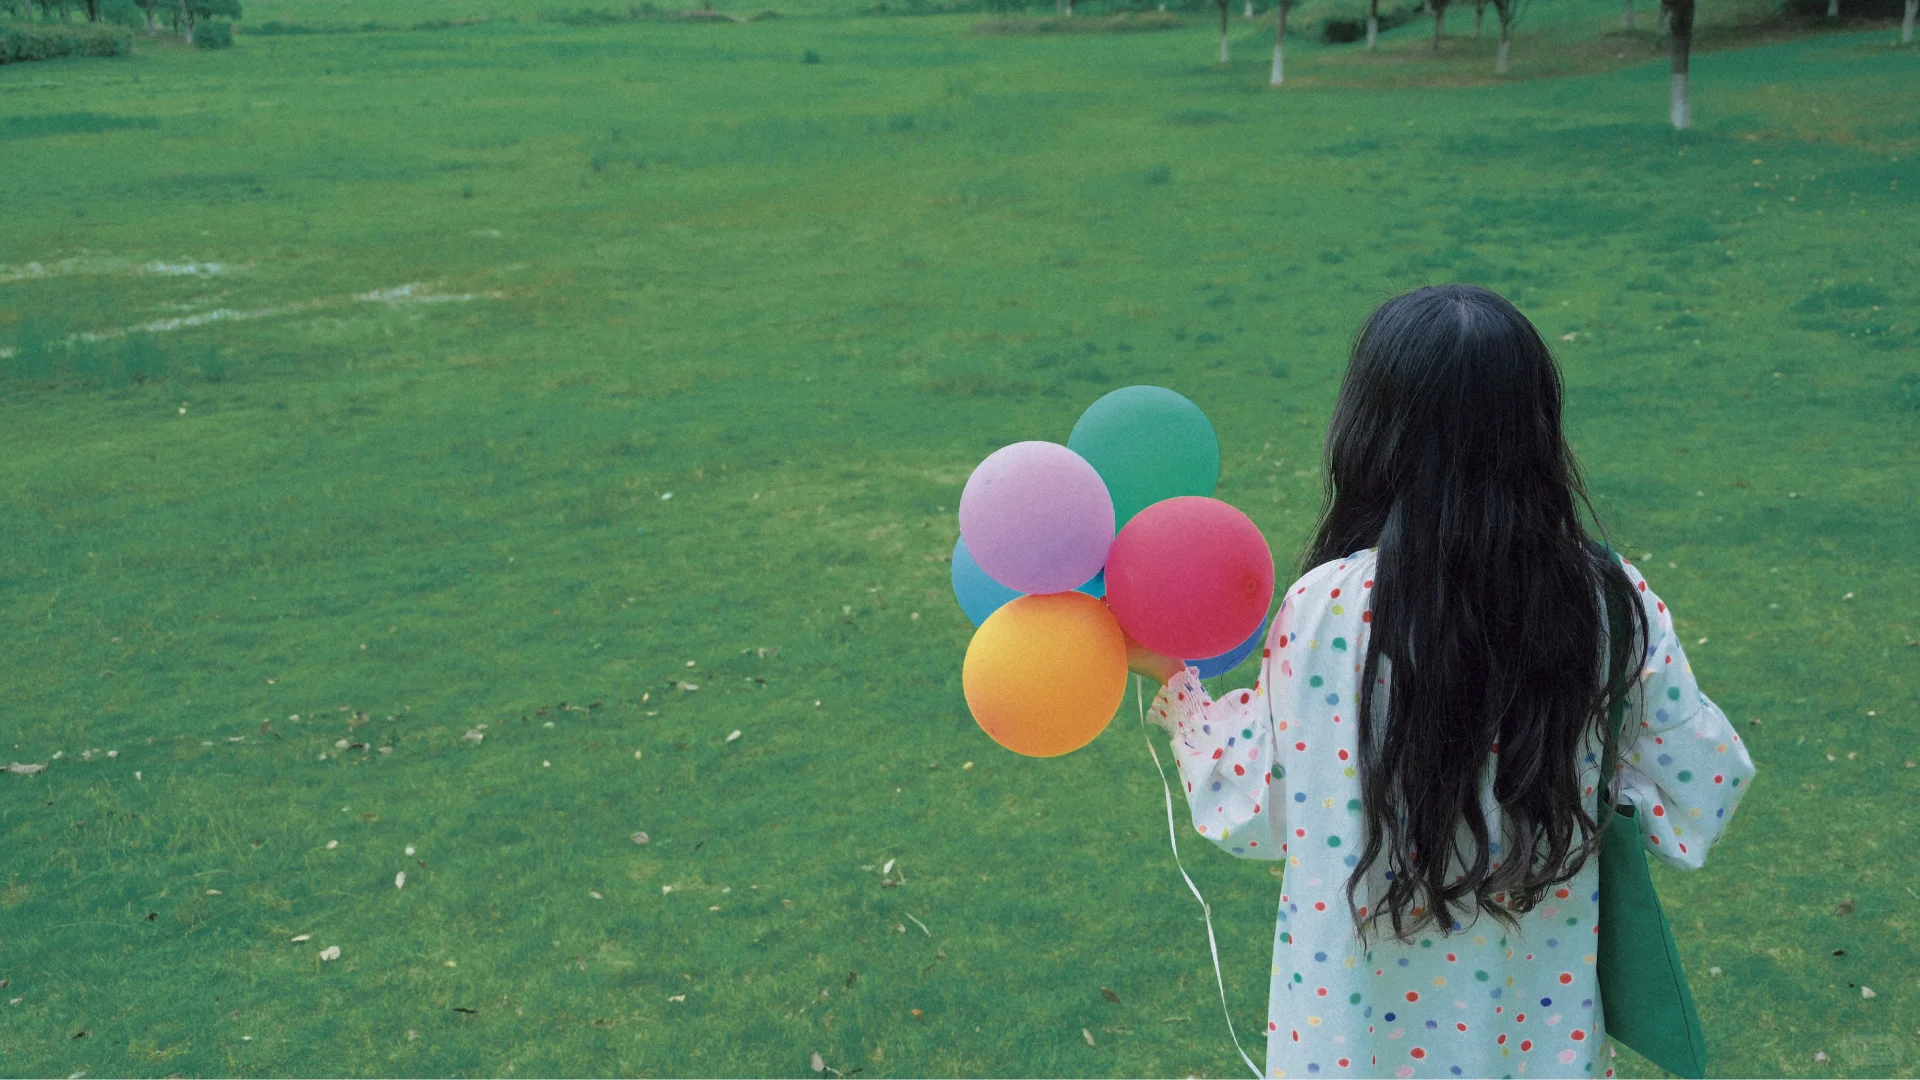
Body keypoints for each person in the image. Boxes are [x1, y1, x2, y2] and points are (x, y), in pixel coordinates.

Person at [1125, 284, 1756, 1080]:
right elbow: (1704, 788)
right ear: (1536, 428)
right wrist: (1577, 770)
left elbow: (1256, 806)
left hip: (1350, 1045)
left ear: (1372, 429)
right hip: (1539, 1040)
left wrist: (1182, 692)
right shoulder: (1607, 602)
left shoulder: (1327, 608)